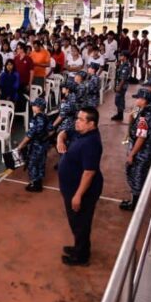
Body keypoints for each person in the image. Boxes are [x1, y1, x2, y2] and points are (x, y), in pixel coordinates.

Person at [57, 107, 104, 266]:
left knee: (81, 223)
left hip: (83, 191)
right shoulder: (81, 132)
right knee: (76, 221)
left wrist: (78, 196)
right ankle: (79, 247)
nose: (77, 121)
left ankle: (81, 256)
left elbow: (89, 173)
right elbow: (64, 131)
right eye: (77, 118)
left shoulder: (91, 143)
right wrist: (60, 139)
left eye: (81, 120)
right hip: (71, 187)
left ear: (92, 124)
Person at [121, 89, 151, 211]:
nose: (136, 100)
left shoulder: (144, 117)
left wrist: (132, 155)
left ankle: (135, 205)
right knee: (138, 173)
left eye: (138, 98)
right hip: (145, 149)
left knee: (136, 174)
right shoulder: (146, 110)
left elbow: (141, 138)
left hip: (142, 151)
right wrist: (132, 115)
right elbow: (132, 120)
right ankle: (135, 201)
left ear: (144, 100)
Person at [15, 97, 49, 192]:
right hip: (44, 144)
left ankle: (35, 184)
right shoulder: (46, 117)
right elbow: (51, 130)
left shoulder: (35, 119)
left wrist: (21, 145)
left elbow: (30, 134)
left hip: (36, 144)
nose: (32, 106)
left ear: (38, 107)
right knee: (41, 162)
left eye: (34, 105)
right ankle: (39, 180)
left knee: (32, 164)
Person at [112, 51, 133, 121]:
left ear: (125, 57)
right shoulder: (123, 64)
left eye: (121, 55)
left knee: (118, 100)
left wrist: (119, 86)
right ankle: (119, 114)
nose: (120, 57)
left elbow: (123, 78)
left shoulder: (126, 66)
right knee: (120, 99)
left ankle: (120, 115)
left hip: (122, 85)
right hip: (121, 84)